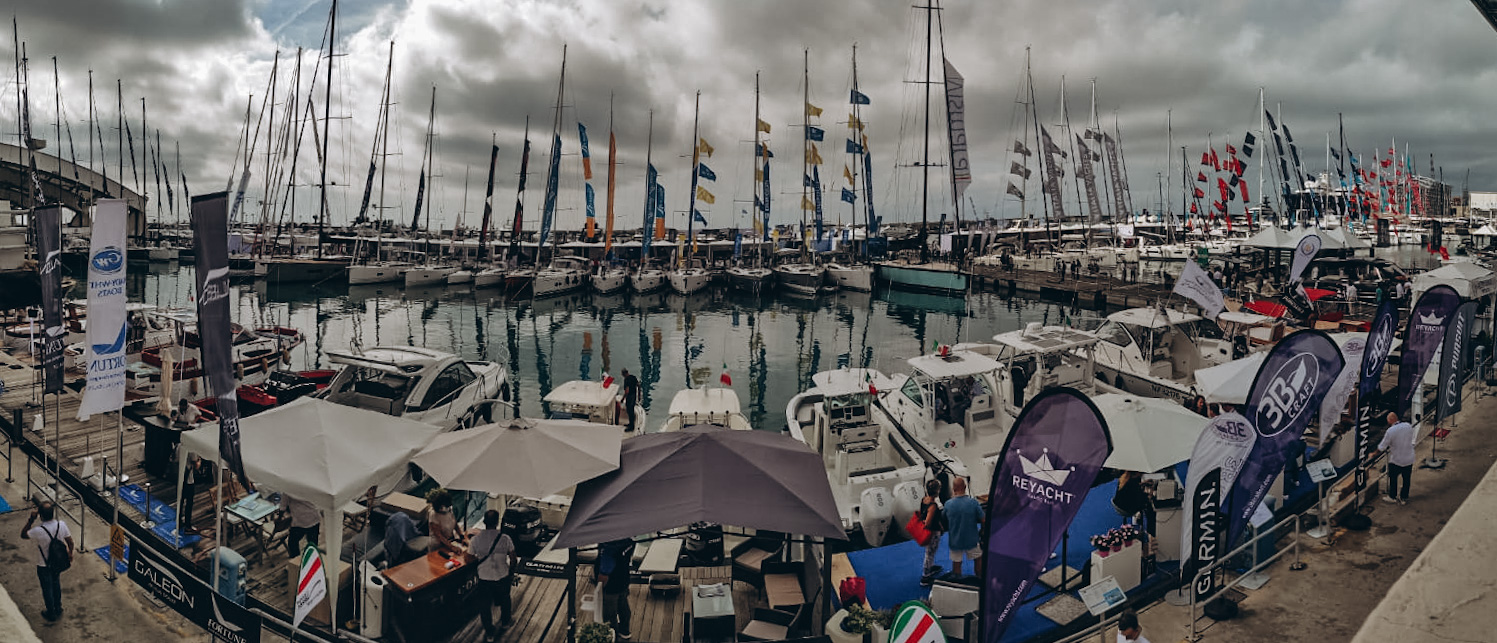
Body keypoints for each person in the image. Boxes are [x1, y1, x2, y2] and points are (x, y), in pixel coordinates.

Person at [469, 510, 519, 641]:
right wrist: (511, 572)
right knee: (505, 599)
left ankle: (490, 632)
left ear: (484, 522)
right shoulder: (505, 538)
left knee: (484, 606)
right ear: (497, 522)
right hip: (502, 575)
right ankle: (505, 622)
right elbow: (513, 558)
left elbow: (468, 558)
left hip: (484, 578)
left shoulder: (476, 540)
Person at [22, 501, 73, 622]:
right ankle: (58, 607)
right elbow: (70, 542)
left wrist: (31, 519)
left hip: (43, 564)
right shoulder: (61, 525)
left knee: (47, 589)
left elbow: (23, 535)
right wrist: (70, 553)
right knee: (56, 584)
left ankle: (51, 613)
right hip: (57, 563)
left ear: (40, 515)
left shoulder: (38, 530)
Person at [943, 477, 984, 577]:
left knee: (957, 564)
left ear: (953, 488)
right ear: (965, 487)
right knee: (978, 560)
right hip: (972, 539)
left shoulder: (948, 504)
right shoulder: (973, 502)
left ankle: (958, 583)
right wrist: (982, 531)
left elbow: (943, 519)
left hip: (955, 540)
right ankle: (980, 580)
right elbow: (983, 520)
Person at [1374, 411, 1417, 505]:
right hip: (1409, 458)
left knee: (1393, 479)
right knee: (1406, 479)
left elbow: (1382, 447)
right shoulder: (1408, 426)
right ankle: (1404, 497)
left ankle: (1392, 496)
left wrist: (1373, 454)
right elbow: (1412, 439)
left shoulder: (1390, 431)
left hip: (1396, 459)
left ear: (1390, 421)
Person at [598, 538, 636, 640]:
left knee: (609, 615)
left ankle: (612, 638)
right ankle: (625, 631)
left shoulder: (609, 550)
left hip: (611, 587)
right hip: (624, 581)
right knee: (623, 606)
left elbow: (604, 574)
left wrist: (599, 588)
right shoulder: (629, 542)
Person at [918, 478, 946, 586]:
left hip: (933, 530)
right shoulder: (933, 506)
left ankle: (930, 567)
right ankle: (925, 576)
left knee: (930, 552)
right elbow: (929, 522)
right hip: (933, 532)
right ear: (937, 491)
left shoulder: (924, 500)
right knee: (930, 552)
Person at [425, 489, 466, 555]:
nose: (442, 509)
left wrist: (461, 536)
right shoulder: (433, 514)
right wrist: (452, 547)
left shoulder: (449, 509)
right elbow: (439, 535)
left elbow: (454, 523)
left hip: (450, 540)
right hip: (438, 545)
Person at [281, 493, 323, 558]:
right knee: (313, 544)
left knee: (293, 543)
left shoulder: (287, 488)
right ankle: (312, 560)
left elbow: (283, 506)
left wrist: (279, 518)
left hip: (299, 521)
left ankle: (295, 561)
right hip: (314, 517)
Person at [179, 454, 210, 535]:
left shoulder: (178, 446)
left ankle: (178, 521)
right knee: (189, 503)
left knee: (180, 501)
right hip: (188, 481)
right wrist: (199, 460)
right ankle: (187, 526)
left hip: (179, 479)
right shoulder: (192, 450)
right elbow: (196, 466)